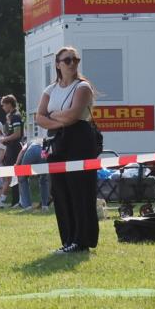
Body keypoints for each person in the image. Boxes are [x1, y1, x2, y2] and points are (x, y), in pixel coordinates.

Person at [35, 46, 100, 253]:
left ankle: (82, 240)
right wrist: (58, 120)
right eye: (67, 60)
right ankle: (68, 240)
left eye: (75, 60)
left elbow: (73, 116)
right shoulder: (50, 90)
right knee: (60, 191)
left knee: (79, 190)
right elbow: (39, 117)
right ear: (58, 64)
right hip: (56, 141)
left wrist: (53, 115)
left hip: (79, 140)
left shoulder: (83, 87)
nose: (72, 64)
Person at [0, 95, 24, 208]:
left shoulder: (15, 117)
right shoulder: (12, 116)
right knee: (11, 174)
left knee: (13, 174)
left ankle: (14, 201)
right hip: (11, 147)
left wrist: (4, 139)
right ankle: (13, 200)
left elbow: (17, 134)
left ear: (9, 104)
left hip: (14, 148)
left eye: (3, 105)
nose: (3, 108)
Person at [16, 138, 50, 211]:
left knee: (22, 178)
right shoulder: (42, 140)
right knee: (44, 180)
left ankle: (27, 206)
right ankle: (45, 205)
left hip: (31, 151)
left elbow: (22, 151)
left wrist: (16, 163)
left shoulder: (29, 142)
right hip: (43, 152)